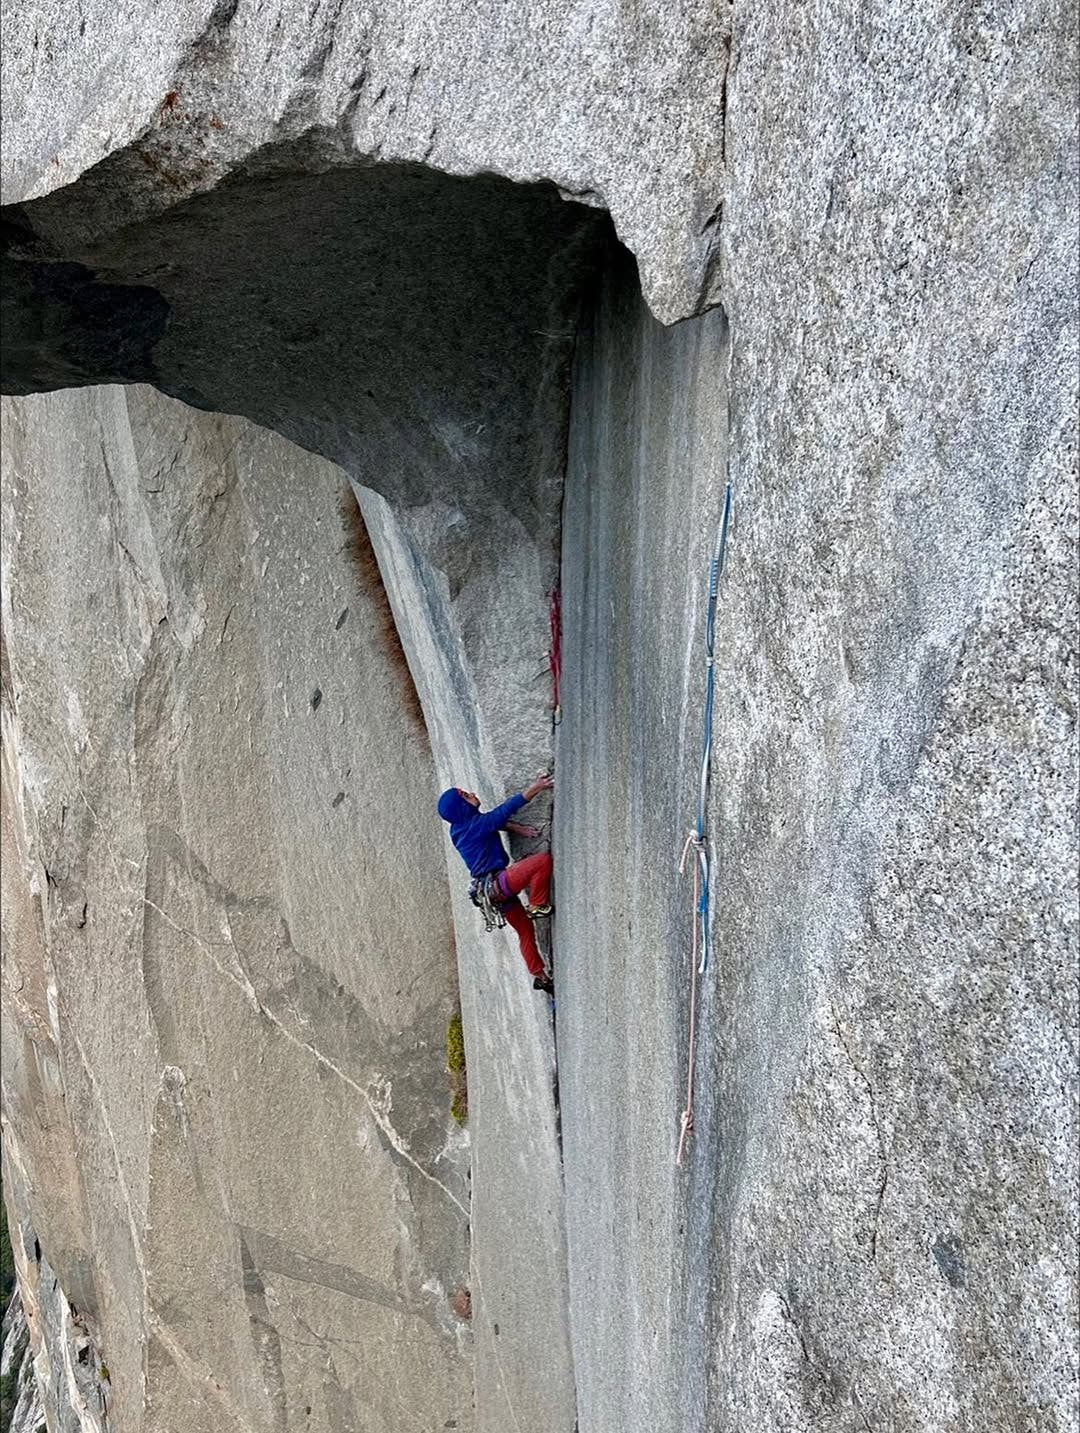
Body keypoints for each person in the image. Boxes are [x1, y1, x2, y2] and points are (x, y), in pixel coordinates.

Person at [437, 774, 555, 994]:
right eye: (465, 796)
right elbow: (503, 811)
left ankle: (540, 976)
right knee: (542, 862)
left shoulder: (459, 829)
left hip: (489, 894)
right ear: (461, 806)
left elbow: (492, 823)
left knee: (525, 931)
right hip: (497, 884)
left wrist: (518, 829)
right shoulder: (475, 825)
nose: (471, 794)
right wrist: (536, 787)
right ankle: (538, 905)